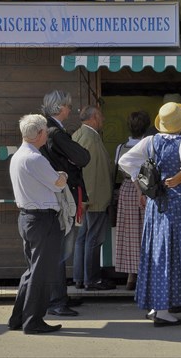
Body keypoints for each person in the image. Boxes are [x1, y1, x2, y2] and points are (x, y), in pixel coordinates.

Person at [119, 102, 181, 327]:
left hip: (156, 202)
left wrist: (146, 180)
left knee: (156, 251)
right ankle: (164, 310)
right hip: (177, 201)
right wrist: (180, 175)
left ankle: (157, 305)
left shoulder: (150, 141)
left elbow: (124, 161)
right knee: (173, 252)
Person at [8, 114, 68, 334]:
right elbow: (58, 184)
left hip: (28, 217)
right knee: (41, 273)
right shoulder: (35, 158)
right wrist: (62, 175)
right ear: (40, 134)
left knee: (32, 271)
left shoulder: (19, 156)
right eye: (45, 130)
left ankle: (19, 318)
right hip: (42, 219)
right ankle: (33, 321)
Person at [40, 90, 90, 316]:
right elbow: (83, 158)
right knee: (61, 249)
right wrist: (73, 157)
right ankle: (56, 301)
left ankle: (59, 297)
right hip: (64, 196)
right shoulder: (56, 133)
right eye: (68, 106)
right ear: (60, 108)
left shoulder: (47, 129)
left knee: (61, 249)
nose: (71, 110)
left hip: (58, 195)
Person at [72, 106, 115, 291]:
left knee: (83, 238)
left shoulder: (78, 135)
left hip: (86, 197)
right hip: (93, 198)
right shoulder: (90, 138)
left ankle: (80, 278)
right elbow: (87, 172)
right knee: (93, 239)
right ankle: (92, 280)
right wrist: (86, 199)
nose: (103, 120)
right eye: (101, 116)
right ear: (95, 117)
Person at [114, 110, 151, 291]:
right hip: (145, 189)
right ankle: (146, 274)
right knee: (146, 232)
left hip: (127, 189)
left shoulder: (121, 148)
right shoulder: (148, 147)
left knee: (130, 233)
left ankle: (131, 276)